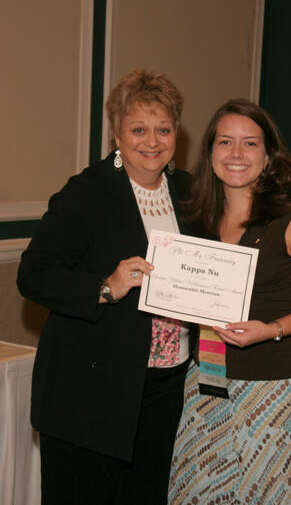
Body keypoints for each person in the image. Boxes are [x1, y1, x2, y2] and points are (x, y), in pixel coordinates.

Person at [17, 68, 196, 505]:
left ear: (176, 134)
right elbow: (33, 273)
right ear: (117, 134)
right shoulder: (87, 193)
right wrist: (104, 286)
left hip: (167, 385)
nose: (151, 141)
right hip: (93, 389)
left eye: (163, 129)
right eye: (138, 129)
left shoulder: (190, 193)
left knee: (146, 496)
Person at [168, 99, 291, 504]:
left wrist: (272, 328)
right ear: (210, 153)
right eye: (225, 142)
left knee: (265, 492)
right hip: (205, 380)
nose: (237, 154)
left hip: (270, 385)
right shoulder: (198, 219)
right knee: (200, 491)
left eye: (250, 143)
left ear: (268, 155)